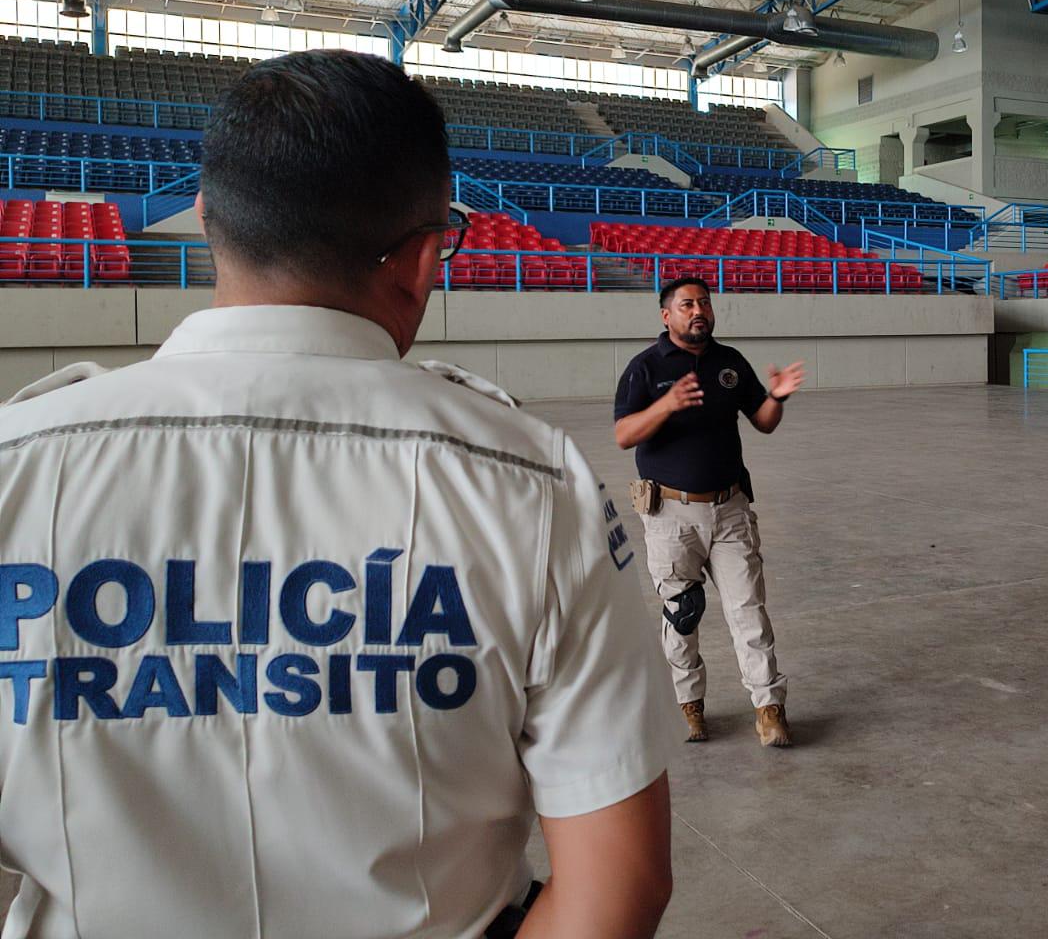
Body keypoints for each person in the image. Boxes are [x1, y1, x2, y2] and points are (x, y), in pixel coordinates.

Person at [0, 51, 677, 939]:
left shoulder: (17, 467)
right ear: (424, 259)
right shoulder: (531, 485)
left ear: (207, 221)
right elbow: (616, 889)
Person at [614, 278, 805, 748]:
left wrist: (777, 397)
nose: (698, 310)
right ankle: (688, 705)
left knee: (749, 610)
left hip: (730, 509)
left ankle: (769, 708)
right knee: (683, 614)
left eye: (704, 302)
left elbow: (763, 422)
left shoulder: (729, 362)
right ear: (667, 316)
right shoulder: (645, 367)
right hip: (670, 515)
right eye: (686, 304)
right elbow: (624, 434)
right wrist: (667, 404)